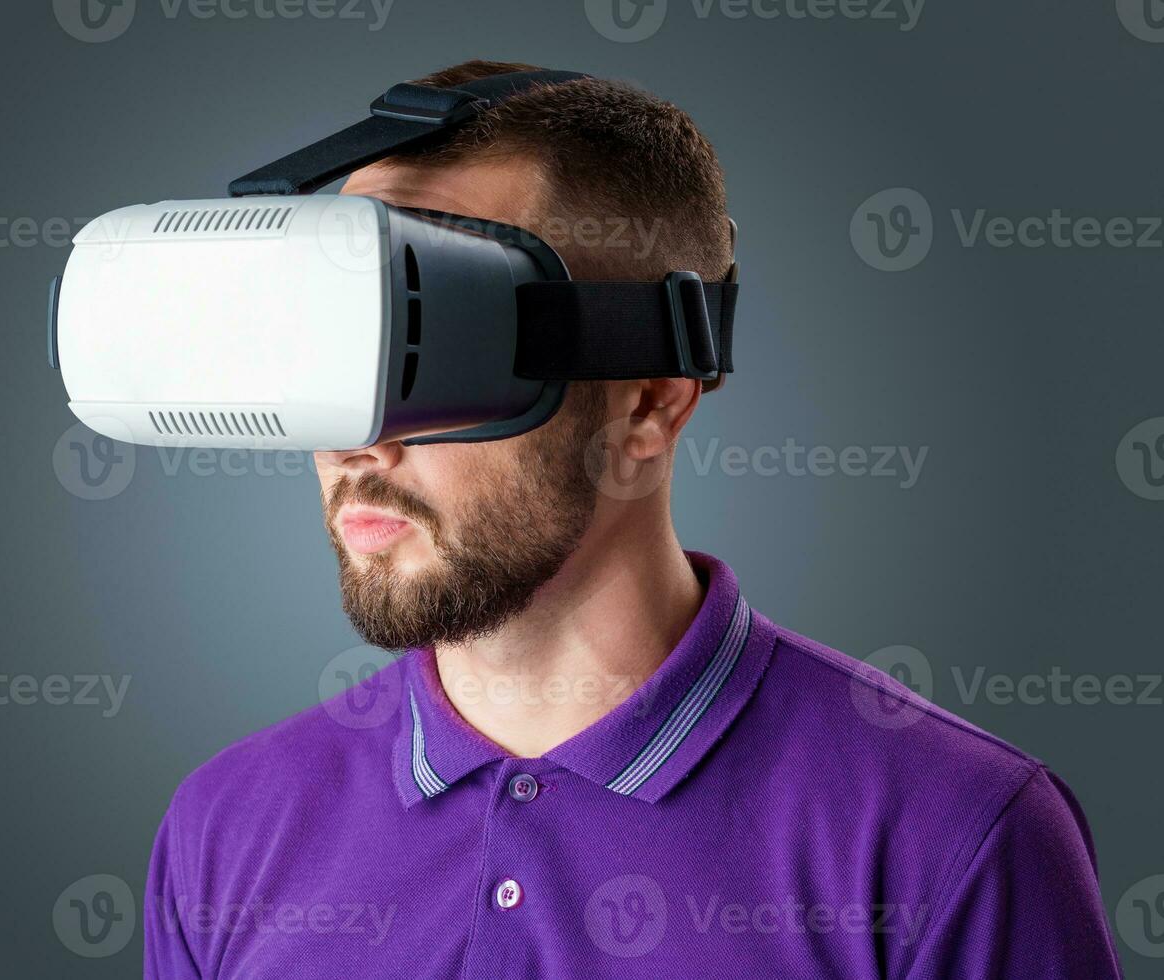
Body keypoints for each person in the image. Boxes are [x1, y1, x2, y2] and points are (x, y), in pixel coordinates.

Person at [143, 60, 1121, 979]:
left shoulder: (948, 833)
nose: (358, 441)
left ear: (649, 401)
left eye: (432, 354)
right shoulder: (225, 827)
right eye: (335, 353)